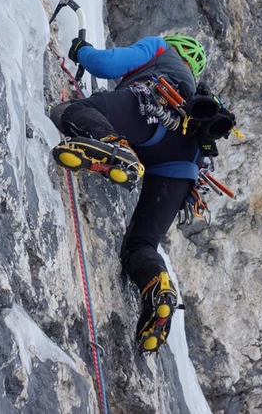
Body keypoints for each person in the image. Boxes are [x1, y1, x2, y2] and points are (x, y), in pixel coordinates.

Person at [50, 34, 235, 353]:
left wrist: (81, 51)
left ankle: (113, 146)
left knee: (70, 112)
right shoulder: (196, 95)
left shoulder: (160, 48)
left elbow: (107, 65)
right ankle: (158, 288)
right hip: (183, 161)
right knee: (142, 244)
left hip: (153, 107)